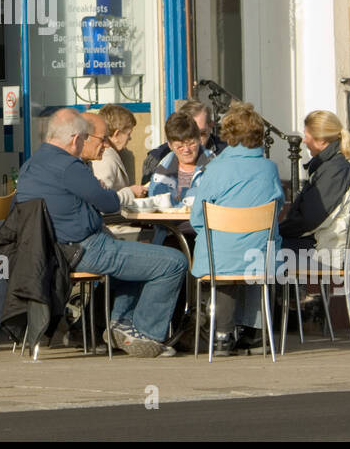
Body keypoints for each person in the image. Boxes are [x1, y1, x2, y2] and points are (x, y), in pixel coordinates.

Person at [15, 108, 186, 358]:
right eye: (92, 138)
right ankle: (145, 333)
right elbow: (108, 203)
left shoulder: (31, 165)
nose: (103, 144)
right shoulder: (69, 166)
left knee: (136, 258)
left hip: (47, 253)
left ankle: (120, 326)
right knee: (173, 262)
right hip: (83, 249)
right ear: (76, 139)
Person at [188, 100, 285, 356]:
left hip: (220, 255)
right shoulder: (269, 169)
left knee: (225, 264)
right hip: (259, 255)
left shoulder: (216, 168)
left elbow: (198, 216)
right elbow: (278, 207)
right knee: (256, 256)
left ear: (228, 135)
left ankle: (221, 335)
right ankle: (256, 332)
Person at [278, 109, 350, 258]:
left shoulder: (336, 169)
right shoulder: (331, 166)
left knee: (264, 251)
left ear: (321, 140)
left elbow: (310, 220)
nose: (303, 140)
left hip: (326, 248)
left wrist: (277, 231)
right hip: (322, 242)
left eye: (306, 136)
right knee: (267, 247)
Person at [141, 98, 224, 183]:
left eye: (202, 133)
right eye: (189, 135)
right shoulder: (157, 159)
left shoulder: (226, 153)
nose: (197, 140)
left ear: (211, 126)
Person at [146, 111, 217, 208]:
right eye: (179, 146)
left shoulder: (214, 166)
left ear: (199, 140)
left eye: (192, 143)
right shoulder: (162, 169)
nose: (186, 150)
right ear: (170, 146)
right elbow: (154, 204)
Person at [90, 104, 148, 208]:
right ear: (116, 134)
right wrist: (131, 192)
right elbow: (101, 201)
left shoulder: (109, 155)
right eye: (128, 134)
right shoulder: (105, 159)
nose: (130, 139)